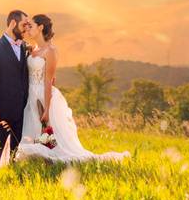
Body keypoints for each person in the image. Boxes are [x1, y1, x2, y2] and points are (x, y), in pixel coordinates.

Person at [15, 13, 130, 163]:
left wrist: (48, 109)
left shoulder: (51, 51)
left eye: (31, 26)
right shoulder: (32, 49)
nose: (28, 29)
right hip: (30, 95)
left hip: (44, 95)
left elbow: (49, 81)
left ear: (41, 27)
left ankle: (52, 157)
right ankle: (39, 157)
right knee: (34, 129)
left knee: (46, 131)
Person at [0, 10, 32, 168]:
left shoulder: (24, 47)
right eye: (24, 25)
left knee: (16, 153)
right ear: (13, 23)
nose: (26, 29)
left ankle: (11, 181)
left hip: (20, 111)